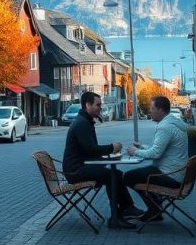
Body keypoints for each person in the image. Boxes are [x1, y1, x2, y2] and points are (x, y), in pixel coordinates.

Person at [62, 91, 143, 228]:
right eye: (98, 105)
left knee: (113, 174)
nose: (100, 107)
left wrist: (110, 156)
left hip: (80, 166)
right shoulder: (82, 124)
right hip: (75, 171)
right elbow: (91, 149)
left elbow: (90, 151)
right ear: (88, 105)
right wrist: (111, 148)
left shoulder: (85, 121)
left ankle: (121, 213)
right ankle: (121, 213)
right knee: (112, 175)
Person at [123, 96, 189, 221]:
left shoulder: (164, 127)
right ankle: (155, 207)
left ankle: (154, 209)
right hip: (177, 173)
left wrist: (135, 151)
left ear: (161, 110)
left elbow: (156, 154)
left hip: (170, 175)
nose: (150, 111)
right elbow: (159, 149)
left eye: (152, 108)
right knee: (141, 173)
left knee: (128, 177)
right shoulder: (174, 123)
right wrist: (142, 146)